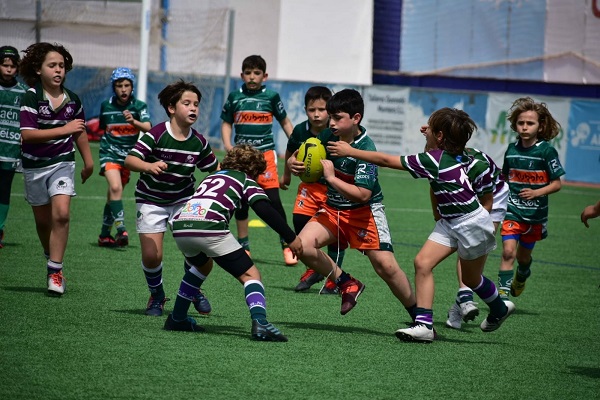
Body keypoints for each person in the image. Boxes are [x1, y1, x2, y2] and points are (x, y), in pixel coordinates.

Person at [328, 107, 515, 343]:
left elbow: (386, 160)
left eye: (429, 127)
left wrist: (351, 151)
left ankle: (498, 307)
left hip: (471, 224)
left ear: (439, 137)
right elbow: (441, 142)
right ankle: (424, 325)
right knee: (422, 263)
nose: (423, 130)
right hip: (451, 221)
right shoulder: (455, 154)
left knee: (471, 279)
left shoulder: (434, 160)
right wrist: (433, 133)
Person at [288, 89, 417, 321]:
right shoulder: (326, 136)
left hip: (364, 214)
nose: (332, 123)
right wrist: (293, 163)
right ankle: (347, 284)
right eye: (331, 117)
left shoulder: (365, 148)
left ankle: (420, 317)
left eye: (338, 118)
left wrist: (331, 178)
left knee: (386, 268)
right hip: (332, 210)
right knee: (301, 246)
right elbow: (300, 156)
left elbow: (363, 195)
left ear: (356, 118)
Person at [165, 144, 302, 341]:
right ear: (253, 171)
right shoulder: (245, 179)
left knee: (202, 266)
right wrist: (291, 238)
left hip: (181, 226)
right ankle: (261, 323)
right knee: (251, 274)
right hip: (209, 227)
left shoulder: (211, 177)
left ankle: (177, 318)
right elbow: (264, 209)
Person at [124, 80, 218, 317]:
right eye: (186, 103)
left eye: (196, 104)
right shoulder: (156, 133)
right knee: (152, 255)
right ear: (171, 107)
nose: (193, 108)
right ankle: (157, 295)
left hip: (183, 201)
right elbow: (130, 160)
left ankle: (193, 288)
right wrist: (148, 165)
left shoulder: (199, 142)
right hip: (151, 199)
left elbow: (215, 169)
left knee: (195, 250)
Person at [19, 42, 94, 295]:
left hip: (63, 162)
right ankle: (50, 255)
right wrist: (65, 129)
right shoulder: (31, 96)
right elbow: (28, 135)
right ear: (39, 70)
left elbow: (79, 131)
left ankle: (55, 270)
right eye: (52, 65)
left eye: (61, 65)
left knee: (61, 214)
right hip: (34, 166)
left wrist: (88, 160)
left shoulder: (73, 99)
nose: (58, 70)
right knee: (42, 222)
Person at [220, 55, 296, 266]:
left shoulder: (271, 97)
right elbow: (226, 123)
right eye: (248, 72)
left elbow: (285, 122)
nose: (252, 77)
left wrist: (298, 144)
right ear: (242, 74)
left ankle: (287, 244)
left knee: (274, 201)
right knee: (241, 202)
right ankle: (244, 246)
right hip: (241, 158)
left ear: (265, 76)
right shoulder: (235, 97)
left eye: (257, 73)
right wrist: (228, 146)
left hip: (265, 157)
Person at [497, 97, 565, 300]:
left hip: (535, 215)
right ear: (515, 125)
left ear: (540, 126)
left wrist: (536, 192)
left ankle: (523, 273)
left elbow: (557, 184)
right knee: (508, 252)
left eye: (530, 123)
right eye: (521, 123)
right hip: (513, 210)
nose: (525, 127)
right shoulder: (511, 150)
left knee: (522, 257)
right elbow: (504, 178)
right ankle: (502, 297)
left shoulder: (546, 151)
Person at [280, 86, 342, 294]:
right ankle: (313, 268)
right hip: (308, 186)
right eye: (311, 109)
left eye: (322, 110)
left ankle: (335, 278)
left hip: (332, 189)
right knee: (299, 221)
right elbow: (291, 150)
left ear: (330, 111)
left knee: (335, 235)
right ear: (305, 109)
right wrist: (288, 169)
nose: (317, 114)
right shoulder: (299, 131)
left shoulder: (337, 132)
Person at [97, 67, 151, 248]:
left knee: (114, 195)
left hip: (129, 157)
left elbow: (149, 128)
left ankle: (104, 235)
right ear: (114, 87)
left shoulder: (139, 107)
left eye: (127, 85)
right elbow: (103, 128)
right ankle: (121, 230)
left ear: (132, 87)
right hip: (109, 152)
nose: (123, 89)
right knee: (115, 186)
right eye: (119, 85)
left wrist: (133, 122)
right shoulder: (106, 106)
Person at [0, 46, 28, 248]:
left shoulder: (23, 93)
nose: (8, 69)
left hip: (10, 151)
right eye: (4, 65)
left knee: (3, 191)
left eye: (12, 66)